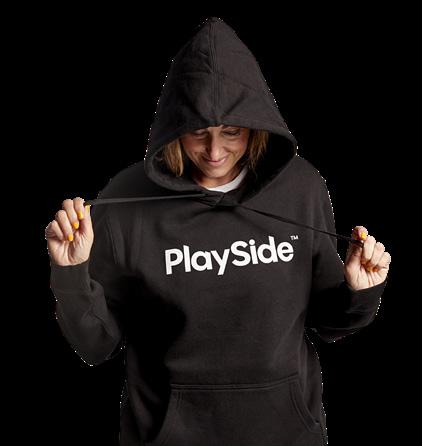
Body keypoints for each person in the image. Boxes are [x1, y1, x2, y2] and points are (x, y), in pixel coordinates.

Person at [45, 17, 391, 446]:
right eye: (198, 133)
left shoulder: (301, 187)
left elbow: (329, 323)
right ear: (175, 128)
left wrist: (360, 292)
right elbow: (96, 346)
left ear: (255, 127)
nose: (214, 151)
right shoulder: (126, 198)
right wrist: (71, 274)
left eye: (232, 132)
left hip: (286, 433)